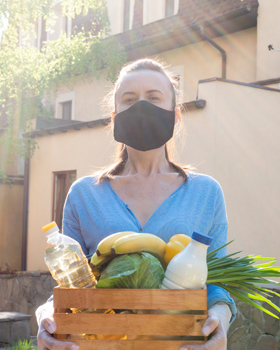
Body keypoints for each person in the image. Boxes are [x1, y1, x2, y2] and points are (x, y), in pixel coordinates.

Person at [36, 58, 236, 350]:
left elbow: (218, 285)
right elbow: (72, 283)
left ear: (175, 115)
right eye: (129, 100)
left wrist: (220, 321)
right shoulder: (83, 195)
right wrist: (44, 315)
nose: (141, 106)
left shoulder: (206, 193)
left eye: (154, 98)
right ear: (115, 118)